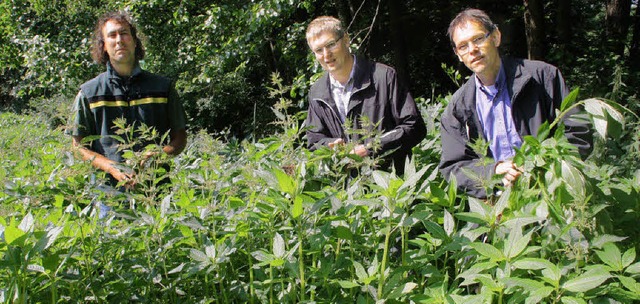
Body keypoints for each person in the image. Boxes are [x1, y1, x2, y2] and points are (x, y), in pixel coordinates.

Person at [439, 8, 592, 199]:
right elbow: (454, 166)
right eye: (463, 46)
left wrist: (543, 168)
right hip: (499, 202)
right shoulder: (457, 108)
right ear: (458, 54)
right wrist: (494, 172)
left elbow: (578, 131)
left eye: (478, 39)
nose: (472, 50)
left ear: (495, 37)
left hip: (552, 192)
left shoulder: (543, 77)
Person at [68, 11, 187, 198]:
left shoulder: (163, 88)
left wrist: (159, 154)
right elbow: (78, 147)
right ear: (104, 46)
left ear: (134, 40)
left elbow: (180, 137)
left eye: (124, 33)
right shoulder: (89, 93)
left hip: (156, 191)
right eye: (112, 35)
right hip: (109, 195)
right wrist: (112, 167)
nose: (119, 40)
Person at [304, 16, 426, 175]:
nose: (326, 55)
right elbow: (314, 140)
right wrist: (331, 146)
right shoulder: (317, 92)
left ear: (346, 40)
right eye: (319, 50)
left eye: (331, 44)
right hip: (347, 189)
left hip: (392, 185)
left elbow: (414, 126)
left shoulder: (383, 77)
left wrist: (371, 148)